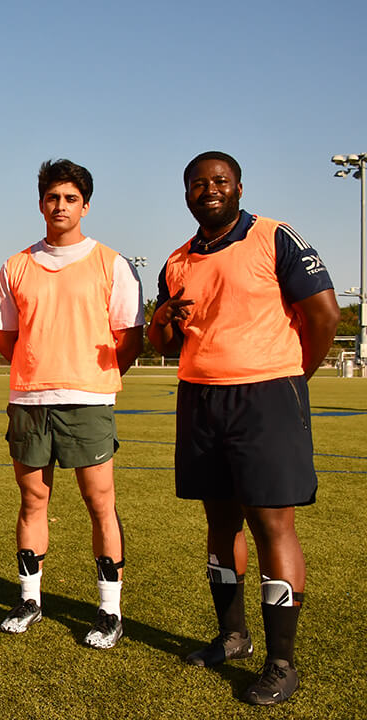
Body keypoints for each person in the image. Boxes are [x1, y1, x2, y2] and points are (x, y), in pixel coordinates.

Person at [147, 151, 339, 705]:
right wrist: (161, 324)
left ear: (237, 186)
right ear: (185, 193)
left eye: (220, 181)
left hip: (265, 398)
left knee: (272, 525)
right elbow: (167, 344)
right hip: (200, 399)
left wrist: (292, 378)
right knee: (220, 521)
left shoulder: (276, 238)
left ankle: (282, 663)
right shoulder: (177, 262)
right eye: (199, 183)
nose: (210, 189)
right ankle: (233, 637)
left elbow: (324, 314)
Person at [0, 159, 143, 649]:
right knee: (33, 500)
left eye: (70, 198)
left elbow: (129, 337)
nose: (60, 206)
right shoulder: (15, 265)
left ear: (86, 205)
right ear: (41, 204)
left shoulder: (112, 263)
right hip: (30, 400)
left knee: (100, 503)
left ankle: (109, 609)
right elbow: (6, 338)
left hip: (88, 401)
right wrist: (42, 367)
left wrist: (88, 376)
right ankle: (30, 598)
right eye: (52, 198)